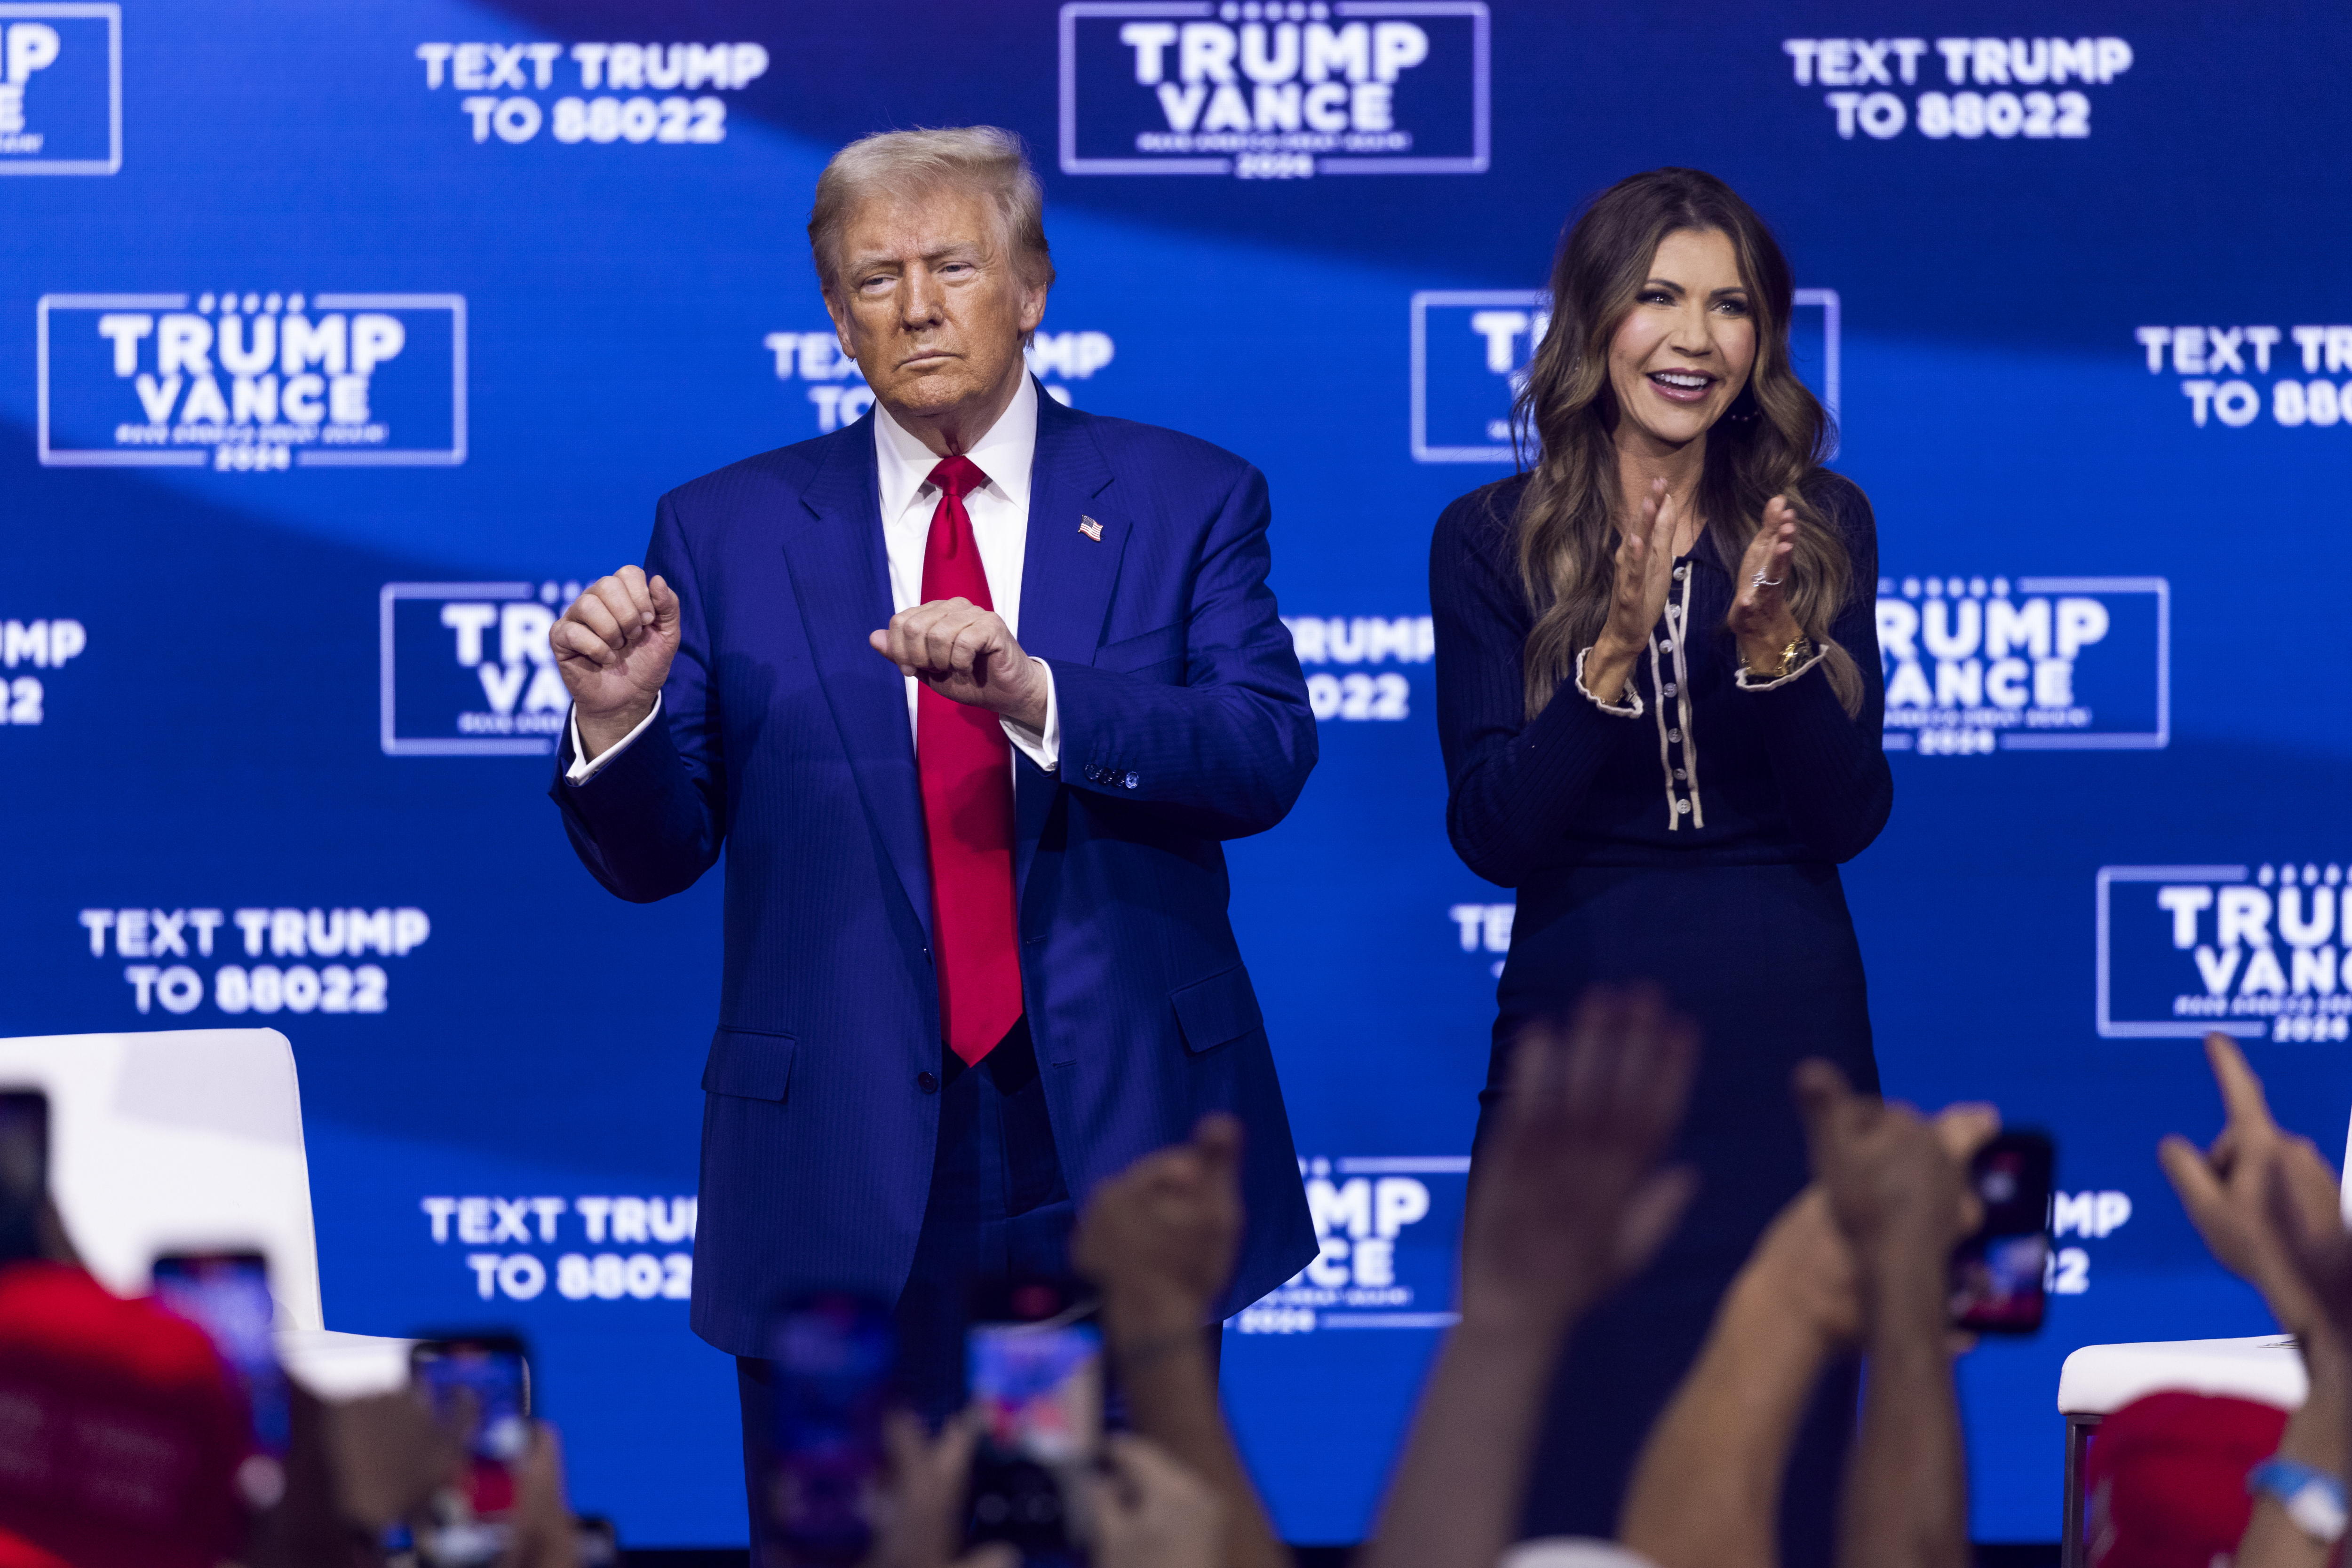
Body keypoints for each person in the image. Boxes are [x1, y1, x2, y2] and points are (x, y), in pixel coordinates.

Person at [544, 126, 1319, 1537]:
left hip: (1112, 1147)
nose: (915, 307)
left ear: (1030, 288)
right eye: (874, 279)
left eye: (953, 267)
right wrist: (618, 726)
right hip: (833, 1165)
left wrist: (1037, 692)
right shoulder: (719, 531)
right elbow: (656, 855)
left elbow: (1262, 756)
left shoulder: (1186, 498)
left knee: (1121, 1545)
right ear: (836, 316)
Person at [1427, 166, 1892, 1554]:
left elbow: (1849, 818)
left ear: (1764, 344)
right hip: (1585, 1026)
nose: (1694, 339)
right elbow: (1493, 831)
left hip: (1787, 1026)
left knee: (1795, 1435)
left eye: (1730, 308)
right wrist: (1610, 663)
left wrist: (1777, 660)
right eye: (1659, 298)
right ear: (1595, 322)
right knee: (1567, 1446)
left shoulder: (1822, 521)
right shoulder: (1487, 538)